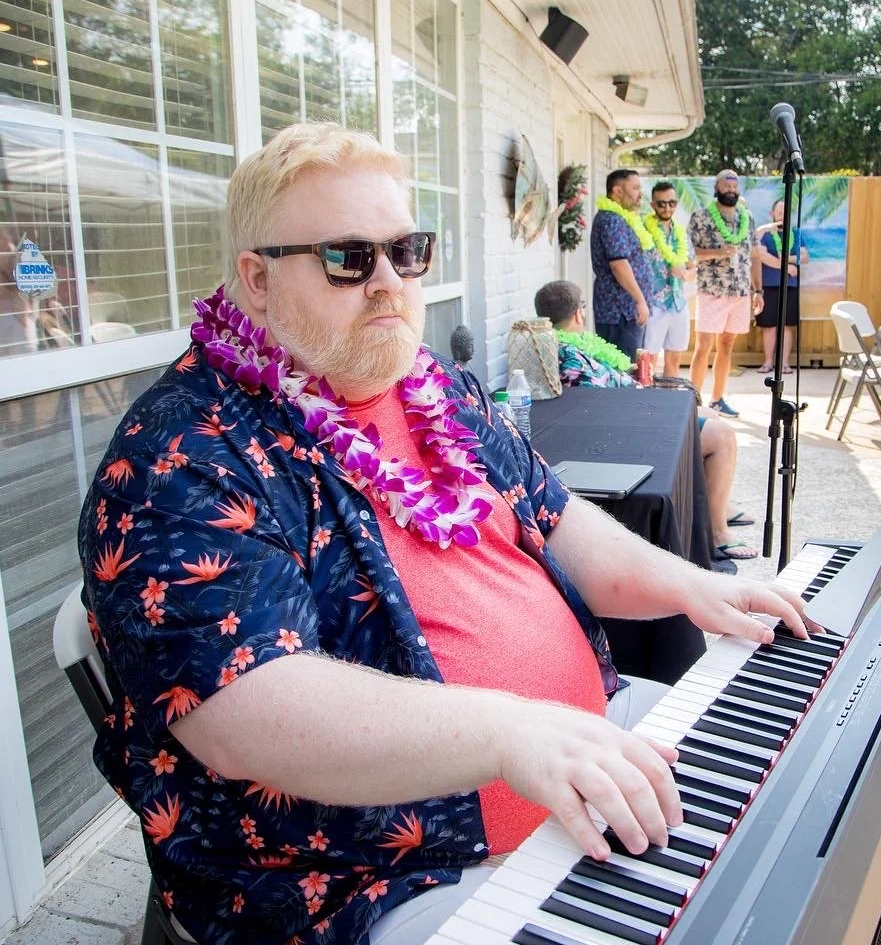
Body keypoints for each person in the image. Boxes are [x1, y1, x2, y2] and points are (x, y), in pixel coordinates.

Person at [77, 124, 810, 945]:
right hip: (379, 876)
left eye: (407, 251)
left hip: (582, 742)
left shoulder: (434, 388)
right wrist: (510, 732)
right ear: (256, 279)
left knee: (791, 828)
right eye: (348, 259)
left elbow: (559, 518)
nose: (388, 283)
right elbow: (241, 709)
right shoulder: (182, 452)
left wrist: (698, 583)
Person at [536, 280, 759, 561]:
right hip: (629, 424)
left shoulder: (570, 347)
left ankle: (718, 507)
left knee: (710, 416)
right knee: (722, 435)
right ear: (579, 314)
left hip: (632, 411)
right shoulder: (569, 354)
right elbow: (597, 402)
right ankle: (717, 533)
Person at [688, 170, 759, 418]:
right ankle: (693, 402)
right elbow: (690, 253)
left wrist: (757, 290)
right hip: (711, 289)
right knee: (703, 346)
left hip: (740, 291)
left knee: (727, 345)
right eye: (726, 186)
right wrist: (718, 252)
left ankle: (718, 399)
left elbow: (754, 254)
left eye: (734, 186)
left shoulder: (747, 218)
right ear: (716, 188)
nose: (731, 190)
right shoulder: (701, 216)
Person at [590, 168, 654, 357]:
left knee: (631, 367)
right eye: (635, 188)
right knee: (624, 370)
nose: (640, 193)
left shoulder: (620, 219)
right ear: (618, 191)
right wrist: (640, 300)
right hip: (619, 311)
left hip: (626, 311)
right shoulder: (612, 220)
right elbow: (619, 265)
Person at [643, 181, 695, 378]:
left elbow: (693, 268)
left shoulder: (681, 232)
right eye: (661, 203)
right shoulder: (644, 231)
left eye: (672, 203)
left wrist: (684, 274)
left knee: (674, 361)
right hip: (653, 304)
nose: (667, 208)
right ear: (652, 204)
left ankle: (670, 404)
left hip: (678, 303)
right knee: (648, 362)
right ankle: (647, 407)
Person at [754, 198, 809, 376]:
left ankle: (784, 363)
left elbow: (805, 257)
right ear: (772, 214)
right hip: (768, 285)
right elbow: (759, 254)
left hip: (789, 286)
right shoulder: (764, 233)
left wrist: (784, 257)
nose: (782, 215)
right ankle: (768, 361)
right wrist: (788, 264)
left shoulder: (795, 233)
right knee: (768, 326)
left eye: (785, 212)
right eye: (779, 211)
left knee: (786, 326)